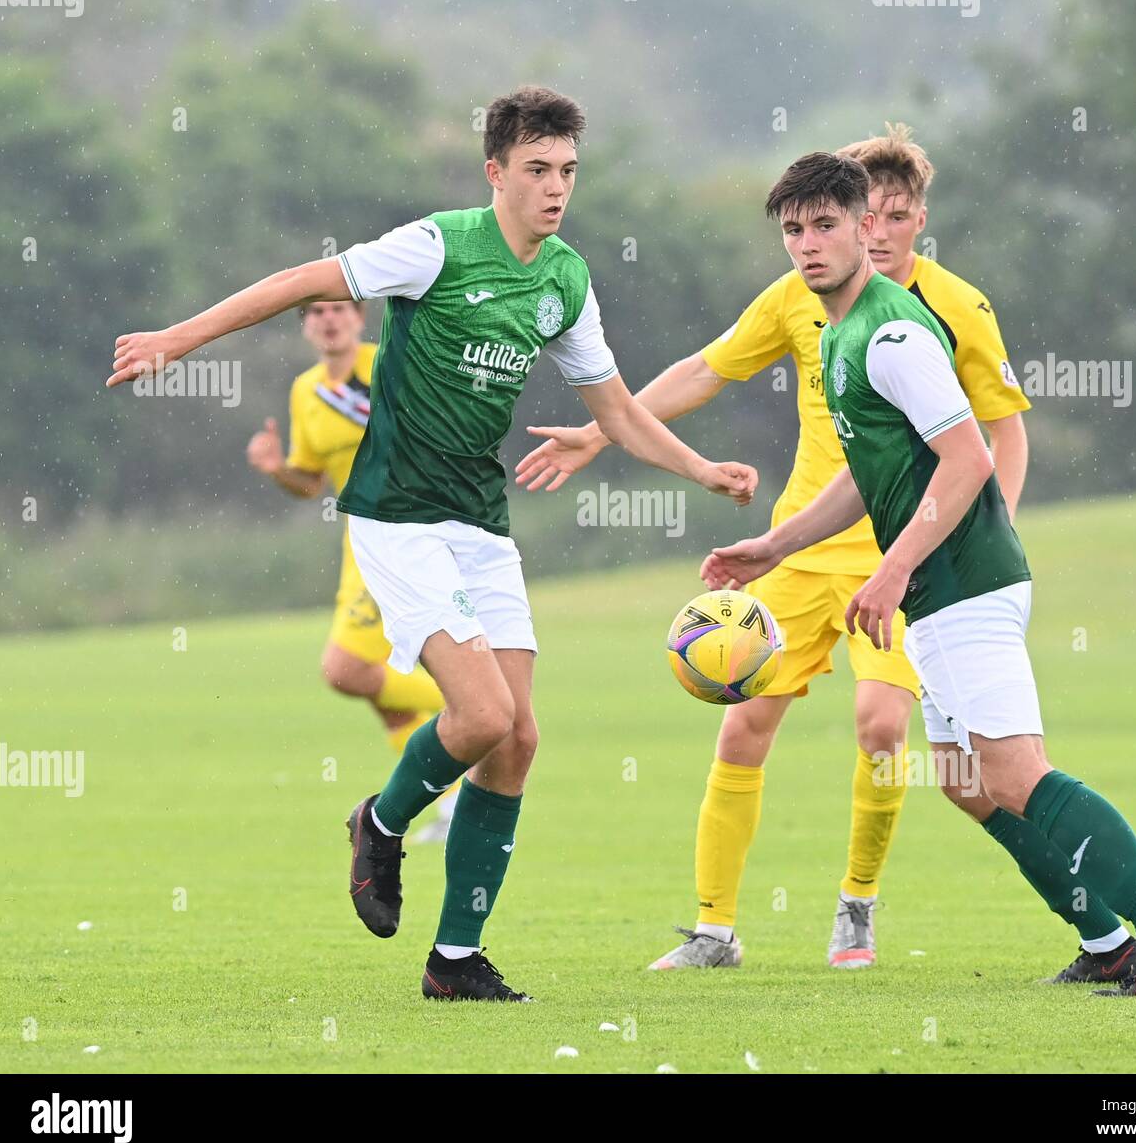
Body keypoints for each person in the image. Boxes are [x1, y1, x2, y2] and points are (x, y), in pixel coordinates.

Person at [108, 85, 758, 1003]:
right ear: (496, 172)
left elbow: (614, 410)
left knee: (519, 738)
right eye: (536, 169)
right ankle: (381, 819)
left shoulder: (566, 278)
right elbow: (304, 281)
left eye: (567, 170)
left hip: (480, 523)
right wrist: (179, 337)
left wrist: (701, 470)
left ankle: (455, 960)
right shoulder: (438, 244)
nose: (554, 188)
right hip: (398, 514)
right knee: (484, 714)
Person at [516, 125, 1036, 974]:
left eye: (897, 217)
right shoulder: (800, 295)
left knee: (880, 727)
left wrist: (987, 533)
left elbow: (998, 437)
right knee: (741, 726)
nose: (876, 233)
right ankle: (714, 930)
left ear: (911, 218)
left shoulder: (954, 306)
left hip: (905, 552)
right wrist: (598, 432)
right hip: (799, 544)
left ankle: (856, 905)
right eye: (859, 218)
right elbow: (705, 368)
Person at [700, 152, 1136, 997]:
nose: (807, 244)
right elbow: (867, 472)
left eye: (826, 224)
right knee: (967, 782)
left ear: (868, 224)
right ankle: (1104, 938)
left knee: (1014, 771)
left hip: (967, 582)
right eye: (793, 230)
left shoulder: (893, 331)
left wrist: (893, 568)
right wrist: (774, 545)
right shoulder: (838, 333)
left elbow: (968, 454)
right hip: (942, 591)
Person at [245, 300, 453, 844]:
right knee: (386, 696)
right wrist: (276, 470)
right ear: (306, 327)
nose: (328, 319)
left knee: (345, 669)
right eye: (315, 312)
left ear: (360, 319)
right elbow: (310, 481)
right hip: (359, 539)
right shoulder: (305, 390)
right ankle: (454, 802)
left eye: (339, 309)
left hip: (406, 527)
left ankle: (480, 710)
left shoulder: (389, 363)